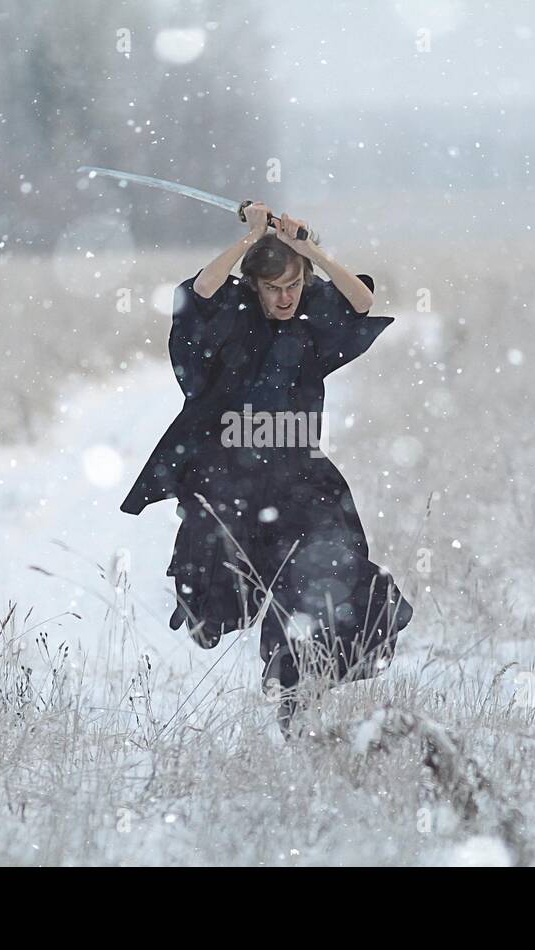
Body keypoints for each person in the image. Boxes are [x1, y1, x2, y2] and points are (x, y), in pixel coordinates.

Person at [120, 202, 413, 736]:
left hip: (302, 477)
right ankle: (288, 685)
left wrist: (309, 250)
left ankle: (296, 687)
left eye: (293, 285)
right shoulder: (232, 316)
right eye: (273, 287)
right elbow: (196, 296)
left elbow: (363, 301)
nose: (284, 297)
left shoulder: (310, 320)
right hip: (234, 479)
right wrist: (251, 236)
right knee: (216, 592)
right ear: (254, 285)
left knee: (335, 577)